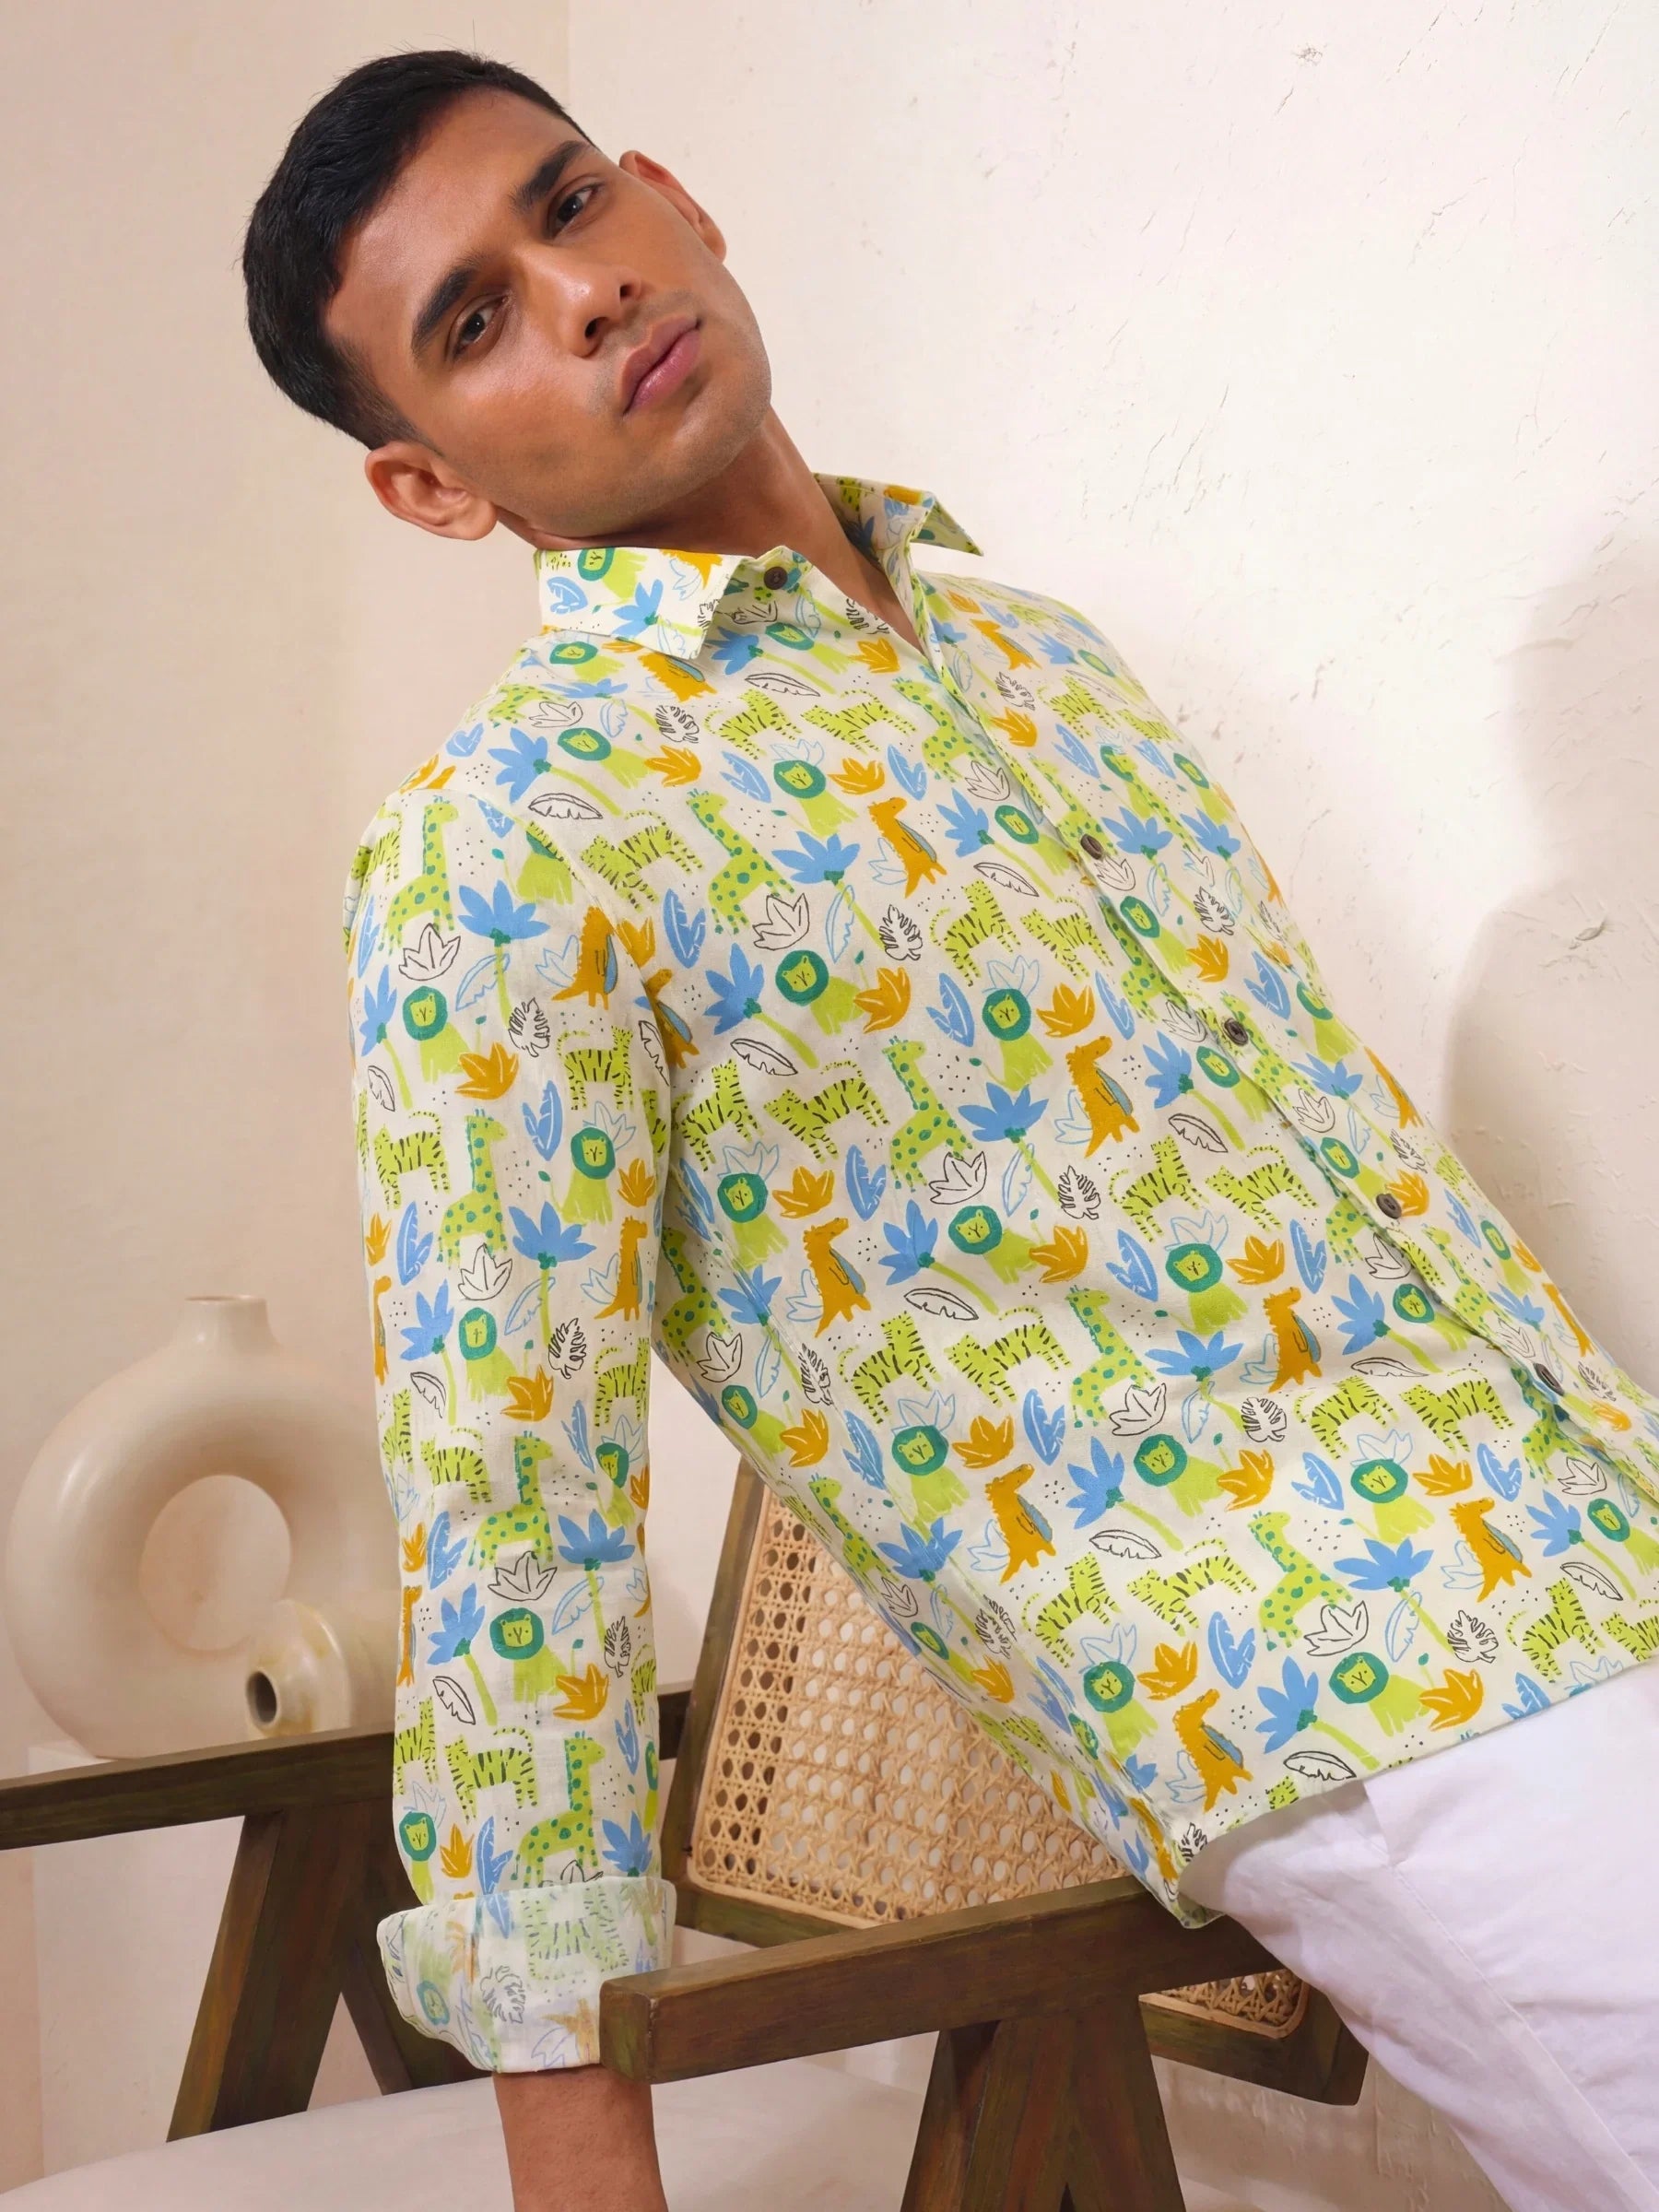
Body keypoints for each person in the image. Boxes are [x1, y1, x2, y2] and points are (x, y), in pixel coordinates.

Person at [242, 49, 1659, 2212]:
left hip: (1600, 1532)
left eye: (573, 204)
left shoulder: (1042, 658)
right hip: (1361, 1694)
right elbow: (512, 1502)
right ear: (433, 487)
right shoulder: (514, 845)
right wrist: (581, 2156)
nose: (585, 294)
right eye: (476, 318)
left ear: (673, 196)